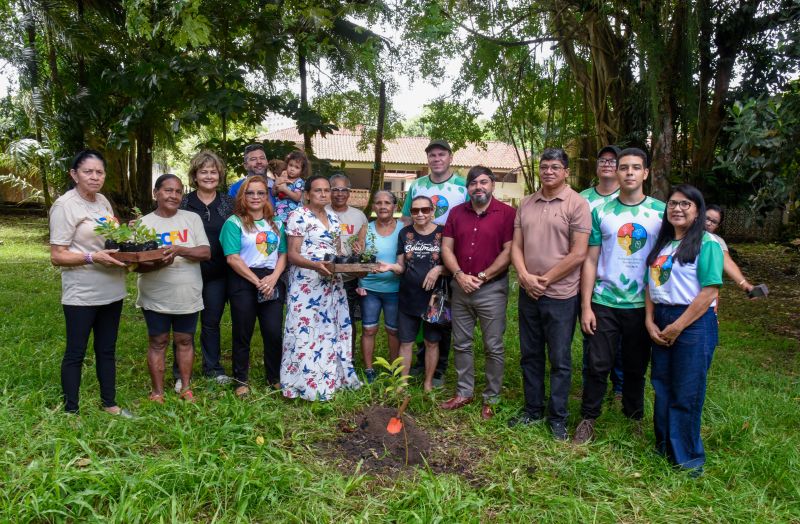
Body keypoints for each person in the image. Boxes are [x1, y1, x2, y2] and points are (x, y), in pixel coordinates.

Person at [574, 147, 665, 444]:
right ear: (616, 171)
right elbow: (590, 259)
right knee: (597, 364)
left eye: (635, 168)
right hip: (605, 301)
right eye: (623, 167)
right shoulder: (601, 211)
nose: (628, 173)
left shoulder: (661, 213)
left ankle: (634, 418)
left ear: (645, 173)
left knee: (637, 366)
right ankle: (588, 419)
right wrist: (586, 305)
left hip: (643, 304)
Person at [509, 148, 591, 440]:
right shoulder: (526, 203)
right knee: (530, 355)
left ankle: (558, 417)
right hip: (528, 292)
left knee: (559, 358)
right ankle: (533, 410)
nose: (548, 172)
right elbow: (516, 246)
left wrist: (543, 280)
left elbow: (579, 253)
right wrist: (524, 276)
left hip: (561, 295)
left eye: (555, 167)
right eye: (544, 167)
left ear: (566, 171)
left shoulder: (577, 203)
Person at [645, 184, 723, 475]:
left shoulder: (707, 243)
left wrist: (677, 326)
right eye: (673, 203)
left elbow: (709, 291)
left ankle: (688, 459)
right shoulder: (662, 244)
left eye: (685, 204)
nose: (677, 208)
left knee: (686, 389)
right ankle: (664, 446)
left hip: (692, 322)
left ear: (698, 211)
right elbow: (650, 287)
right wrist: (649, 321)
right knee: (662, 385)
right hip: (661, 317)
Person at [49, 150, 131, 417]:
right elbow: (57, 255)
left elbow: (109, 239)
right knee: (76, 351)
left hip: (112, 288)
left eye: (99, 172)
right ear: (74, 174)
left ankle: (110, 403)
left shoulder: (103, 201)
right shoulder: (65, 205)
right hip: (82, 293)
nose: (95, 177)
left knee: (106, 349)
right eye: (88, 172)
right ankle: (71, 409)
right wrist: (90, 257)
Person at [440, 166, 516, 420]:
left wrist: (483, 277)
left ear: (492, 185)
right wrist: (460, 275)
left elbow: (509, 252)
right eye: (473, 183)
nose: (478, 187)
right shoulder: (456, 213)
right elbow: (446, 249)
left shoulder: (507, 213)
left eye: (483, 182)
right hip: (460, 286)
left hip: (491, 288)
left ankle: (491, 397)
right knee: (461, 343)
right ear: (468, 188)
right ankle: (464, 392)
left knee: (493, 346)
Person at [280, 175, 361, 400]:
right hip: (306, 283)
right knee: (304, 332)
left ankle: (329, 379)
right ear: (307, 193)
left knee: (329, 330)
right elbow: (293, 255)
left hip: (331, 284)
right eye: (318, 190)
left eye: (327, 190)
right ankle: (303, 384)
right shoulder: (298, 216)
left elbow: (335, 252)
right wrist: (315, 265)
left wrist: (354, 261)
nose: (324, 194)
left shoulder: (334, 218)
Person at [136, 174, 211, 403]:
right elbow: (136, 264)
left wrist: (179, 250)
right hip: (155, 295)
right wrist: (158, 262)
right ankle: (157, 392)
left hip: (187, 294)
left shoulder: (192, 219)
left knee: (185, 341)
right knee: (158, 342)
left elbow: (205, 252)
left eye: (178, 191)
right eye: (168, 190)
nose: (174, 195)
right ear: (156, 193)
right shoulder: (143, 224)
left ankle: (186, 388)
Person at [402, 140, 469, 385]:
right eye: (432, 155)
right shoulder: (418, 185)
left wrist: (450, 263)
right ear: (427, 159)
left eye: (442, 154)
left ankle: (439, 368)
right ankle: (422, 361)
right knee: (421, 308)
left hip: (451, 255)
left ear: (450, 157)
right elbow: (407, 218)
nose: (437, 158)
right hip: (420, 254)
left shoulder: (463, 185)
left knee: (443, 313)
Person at [172, 150, 235, 392]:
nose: (209, 176)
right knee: (183, 325)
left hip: (217, 274)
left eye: (213, 171)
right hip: (186, 272)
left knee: (211, 322)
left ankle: (213, 369)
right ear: (195, 176)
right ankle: (180, 373)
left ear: (220, 175)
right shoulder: (184, 202)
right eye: (203, 172)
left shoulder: (229, 203)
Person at [221, 175, 287, 397]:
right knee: (242, 331)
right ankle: (241, 379)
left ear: (267, 196)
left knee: (273, 332)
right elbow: (232, 258)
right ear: (243, 196)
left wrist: (273, 278)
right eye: (250, 193)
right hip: (244, 279)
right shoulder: (234, 223)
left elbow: (283, 254)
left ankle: (274, 377)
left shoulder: (276, 223)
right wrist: (258, 282)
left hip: (271, 279)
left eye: (261, 192)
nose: (256, 197)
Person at [389, 195, 447, 392]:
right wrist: (388, 267)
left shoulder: (443, 233)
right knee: (406, 342)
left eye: (424, 210)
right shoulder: (405, 233)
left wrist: (438, 269)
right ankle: (402, 384)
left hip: (434, 299)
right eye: (415, 210)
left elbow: (452, 265)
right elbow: (400, 266)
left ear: (432, 211)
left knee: (432, 342)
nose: (420, 214)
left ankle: (428, 383)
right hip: (408, 296)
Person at [580, 145, 624, 402]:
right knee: (592, 333)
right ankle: (591, 385)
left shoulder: (628, 197)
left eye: (613, 161)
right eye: (603, 160)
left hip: (621, 277)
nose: (607, 164)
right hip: (587, 274)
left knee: (621, 340)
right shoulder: (582, 198)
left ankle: (619, 388)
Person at [358, 191, 402, 383]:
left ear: (395, 206)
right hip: (370, 288)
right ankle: (369, 370)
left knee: (393, 330)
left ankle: (394, 369)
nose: (383, 206)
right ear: (373, 206)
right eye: (378, 203)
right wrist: (361, 278)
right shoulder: (365, 228)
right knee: (369, 329)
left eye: (387, 202)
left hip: (395, 288)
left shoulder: (404, 229)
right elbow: (358, 260)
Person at [325, 173, 368, 355]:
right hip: (324, 276)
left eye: (344, 190)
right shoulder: (321, 212)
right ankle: (326, 358)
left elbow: (363, 244)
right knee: (324, 320)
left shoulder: (359, 216)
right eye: (335, 189)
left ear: (349, 193)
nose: (339, 194)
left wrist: (360, 250)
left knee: (348, 320)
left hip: (349, 279)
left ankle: (347, 359)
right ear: (329, 191)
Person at [704, 205, 755, 293]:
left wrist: (744, 284)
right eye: (706, 218)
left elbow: (727, 262)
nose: (708, 223)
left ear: (718, 226)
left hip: (703, 294)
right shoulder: (682, 233)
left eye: (714, 222)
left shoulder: (717, 241)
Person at [273, 150, 309, 222]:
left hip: (291, 216)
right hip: (277, 213)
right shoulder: (282, 177)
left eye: (297, 167)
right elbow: (273, 193)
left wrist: (285, 189)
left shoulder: (299, 182)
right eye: (290, 165)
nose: (292, 169)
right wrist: (276, 185)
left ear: (302, 171)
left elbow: (297, 198)